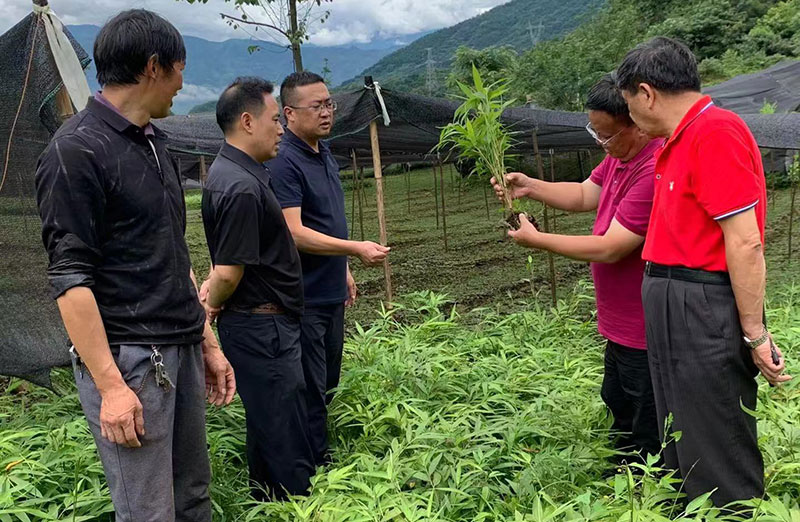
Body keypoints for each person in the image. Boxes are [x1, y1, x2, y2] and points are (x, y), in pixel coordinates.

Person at [34, 10, 235, 522]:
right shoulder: (75, 151)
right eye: (180, 69)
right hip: (132, 362)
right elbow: (69, 279)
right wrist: (111, 387)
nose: (182, 83)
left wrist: (205, 341)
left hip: (180, 345)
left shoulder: (154, 143)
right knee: (148, 511)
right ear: (153, 67)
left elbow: (173, 252)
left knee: (192, 496)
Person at [616, 36, 791, 507]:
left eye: (629, 103)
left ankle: (731, 510)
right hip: (674, 297)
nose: (629, 115)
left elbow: (745, 240)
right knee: (681, 422)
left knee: (714, 426)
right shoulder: (677, 140)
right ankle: (692, 509)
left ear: (647, 93)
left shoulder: (715, 132)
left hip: (701, 302)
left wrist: (754, 332)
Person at [491, 75, 662, 463]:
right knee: (617, 401)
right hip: (619, 320)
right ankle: (626, 480)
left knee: (646, 416)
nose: (600, 143)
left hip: (643, 324)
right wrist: (530, 186)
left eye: (606, 136)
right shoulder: (620, 157)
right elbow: (587, 193)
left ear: (636, 122)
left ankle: (653, 490)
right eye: (595, 133)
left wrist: (538, 240)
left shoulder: (652, 167)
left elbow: (611, 248)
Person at [266, 71, 390, 467]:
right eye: (315, 106)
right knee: (310, 386)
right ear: (288, 113)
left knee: (329, 380)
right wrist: (354, 250)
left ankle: (319, 453)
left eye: (329, 103)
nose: (326, 112)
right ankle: (314, 464)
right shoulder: (285, 162)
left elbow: (327, 219)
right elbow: (294, 232)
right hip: (303, 297)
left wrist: (343, 268)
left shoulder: (325, 152)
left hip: (330, 289)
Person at [200, 76, 314, 500]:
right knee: (284, 430)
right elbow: (228, 272)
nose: (281, 128)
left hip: (263, 325)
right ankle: (299, 506)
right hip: (262, 329)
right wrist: (211, 305)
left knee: (270, 426)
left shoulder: (240, 174)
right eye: (273, 119)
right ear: (247, 121)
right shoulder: (241, 186)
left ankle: (265, 502)